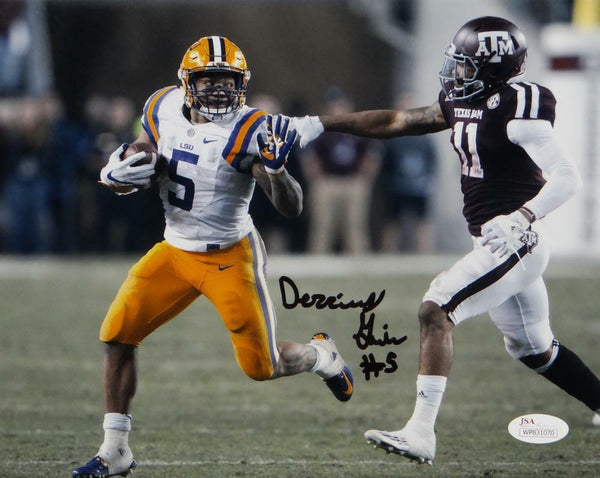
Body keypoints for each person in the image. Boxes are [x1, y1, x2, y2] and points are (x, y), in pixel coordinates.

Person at [281, 16, 600, 465]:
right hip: (490, 239)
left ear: (492, 70)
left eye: (466, 64)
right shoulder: (463, 99)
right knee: (531, 347)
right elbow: (399, 120)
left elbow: (567, 176)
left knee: (436, 309)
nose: (455, 72)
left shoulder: (516, 107)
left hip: (516, 241)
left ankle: (420, 432)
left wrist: (523, 216)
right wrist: (321, 124)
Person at [72, 36, 353, 478]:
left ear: (242, 84)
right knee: (117, 334)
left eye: (227, 81)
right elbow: (144, 149)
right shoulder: (161, 105)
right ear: (188, 83)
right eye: (209, 80)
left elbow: (291, 206)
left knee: (262, 366)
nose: (219, 90)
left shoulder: (250, 128)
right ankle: (115, 449)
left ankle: (321, 356)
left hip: (230, 256)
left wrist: (278, 170)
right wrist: (118, 169)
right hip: (175, 250)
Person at [300, 86, 381, 254]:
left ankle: (359, 262)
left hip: (353, 181)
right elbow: (308, 156)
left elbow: (372, 154)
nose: (336, 109)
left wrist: (364, 179)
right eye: (332, 106)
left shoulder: (358, 127)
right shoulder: (318, 129)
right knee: (323, 225)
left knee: (355, 226)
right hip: (327, 182)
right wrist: (317, 179)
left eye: (340, 105)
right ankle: (318, 261)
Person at [379, 93, 437, 253]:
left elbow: (431, 160)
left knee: (422, 223)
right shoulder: (391, 135)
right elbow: (385, 161)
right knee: (392, 222)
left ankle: (425, 255)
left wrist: (429, 180)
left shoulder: (424, 135)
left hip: (419, 186)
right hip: (396, 185)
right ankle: (388, 254)